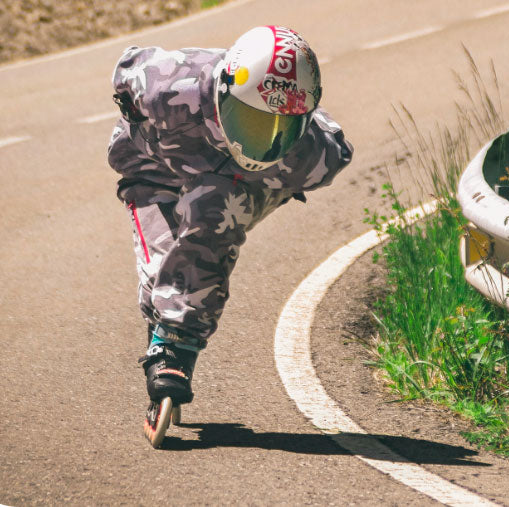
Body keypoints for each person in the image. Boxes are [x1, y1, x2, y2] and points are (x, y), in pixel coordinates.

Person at [107, 25, 353, 447]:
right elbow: (126, 69)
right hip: (156, 169)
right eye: (250, 119)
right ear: (221, 91)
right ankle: (165, 324)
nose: (261, 139)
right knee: (159, 269)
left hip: (239, 184)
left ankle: (175, 342)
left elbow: (328, 148)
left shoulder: (315, 153)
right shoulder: (165, 84)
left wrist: (261, 169)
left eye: (279, 127)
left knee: (211, 223)